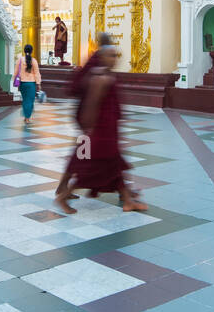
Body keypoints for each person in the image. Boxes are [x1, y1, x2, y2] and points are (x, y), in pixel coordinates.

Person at [54, 35, 146, 214]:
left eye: (116, 55)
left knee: (102, 161)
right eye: (112, 55)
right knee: (86, 162)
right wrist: (88, 129)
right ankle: (63, 194)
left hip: (104, 128)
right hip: (94, 128)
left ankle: (126, 198)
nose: (115, 59)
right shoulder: (99, 74)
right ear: (103, 53)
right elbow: (91, 104)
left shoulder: (103, 71)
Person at [12, 44, 42, 125]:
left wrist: (14, 82)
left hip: (22, 83)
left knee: (25, 100)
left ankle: (26, 117)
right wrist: (38, 84)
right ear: (31, 51)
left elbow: (15, 72)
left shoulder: (20, 60)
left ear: (24, 51)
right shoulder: (34, 61)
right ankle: (27, 117)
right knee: (30, 101)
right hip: (31, 84)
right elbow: (37, 73)